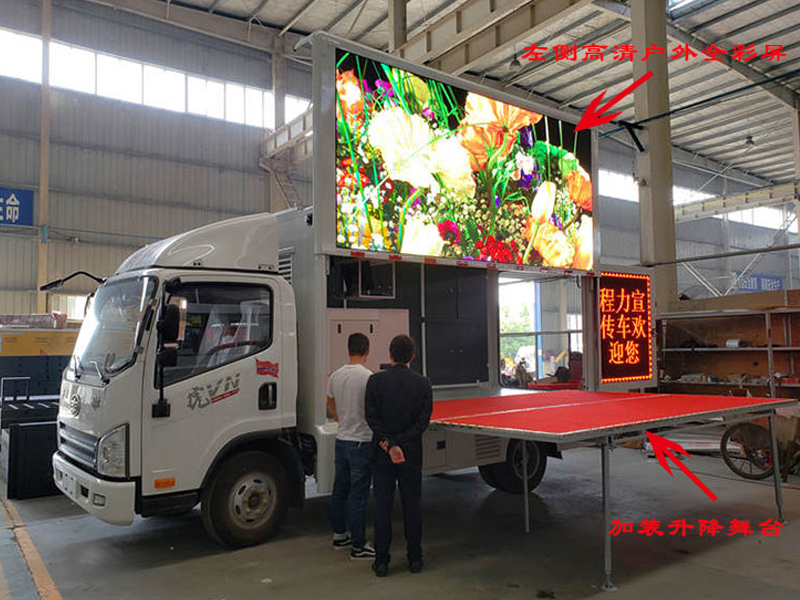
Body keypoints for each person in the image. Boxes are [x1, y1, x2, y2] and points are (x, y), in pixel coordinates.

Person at [365, 334, 433, 577]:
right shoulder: (423, 384)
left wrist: (389, 443)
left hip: (383, 454)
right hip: (410, 454)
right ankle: (415, 559)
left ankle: (382, 562)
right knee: (412, 507)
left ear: (390, 354)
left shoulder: (375, 381)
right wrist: (401, 444)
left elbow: (372, 418)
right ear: (412, 356)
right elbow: (422, 422)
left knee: (383, 508)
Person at [326, 333, 376, 560]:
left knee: (340, 491)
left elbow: (330, 404)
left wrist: (342, 419)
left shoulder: (335, 376)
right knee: (359, 495)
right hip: (361, 441)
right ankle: (358, 545)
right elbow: (373, 409)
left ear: (348, 350)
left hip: (342, 439)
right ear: (367, 351)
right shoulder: (368, 377)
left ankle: (339, 535)